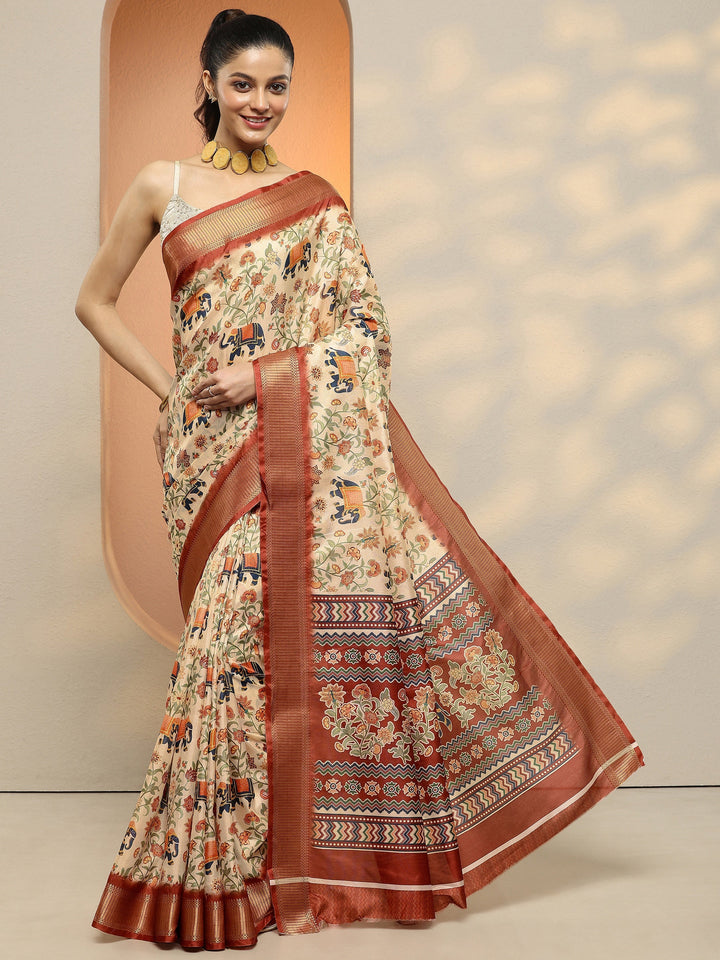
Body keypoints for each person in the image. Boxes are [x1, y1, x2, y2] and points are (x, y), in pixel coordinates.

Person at [77, 9, 644, 951]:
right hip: (207, 455)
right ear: (209, 84)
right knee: (225, 648)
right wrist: (173, 392)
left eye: (277, 87)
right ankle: (215, 867)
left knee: (258, 646)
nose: (261, 103)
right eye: (244, 84)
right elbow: (93, 301)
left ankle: (272, 873)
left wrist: (265, 377)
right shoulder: (161, 186)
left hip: (295, 439)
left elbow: (365, 338)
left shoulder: (315, 203)